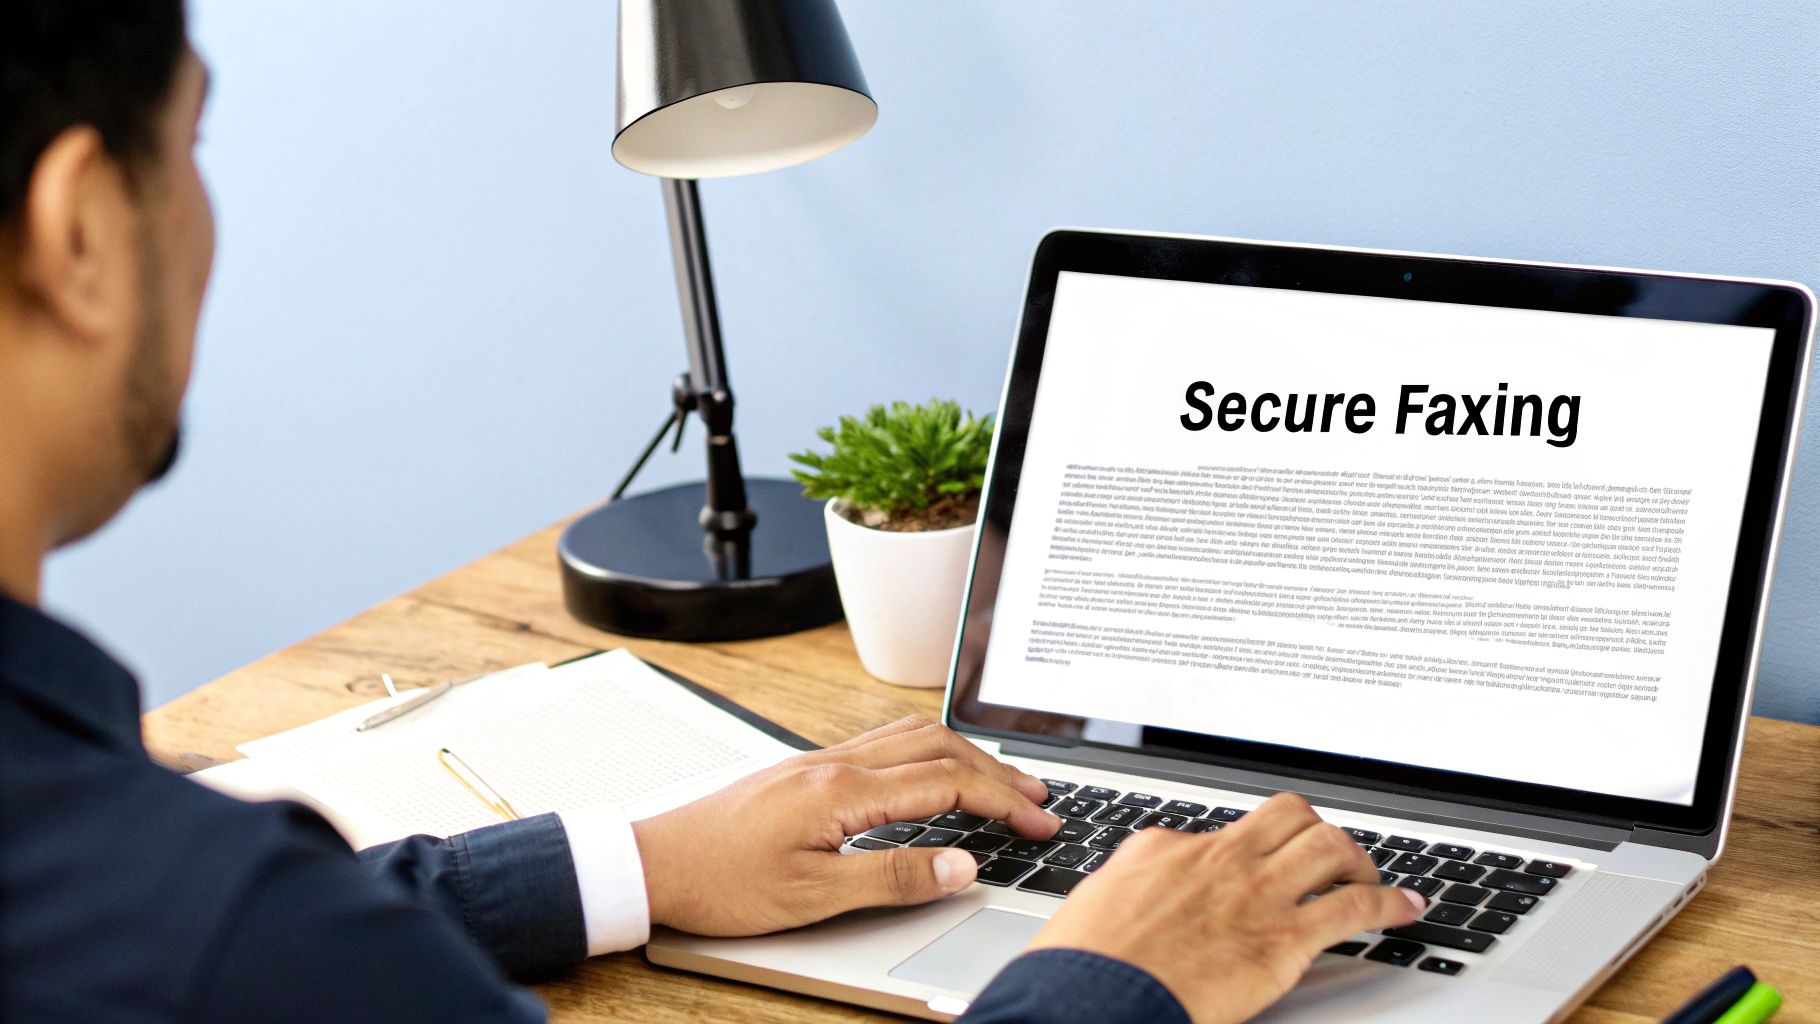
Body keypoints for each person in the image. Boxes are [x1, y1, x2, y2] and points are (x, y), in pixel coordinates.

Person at [0, 3, 1425, 1022]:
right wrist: (1112, 980)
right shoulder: (216, 932)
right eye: (193, 139)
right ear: (80, 231)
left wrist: (636, 864)